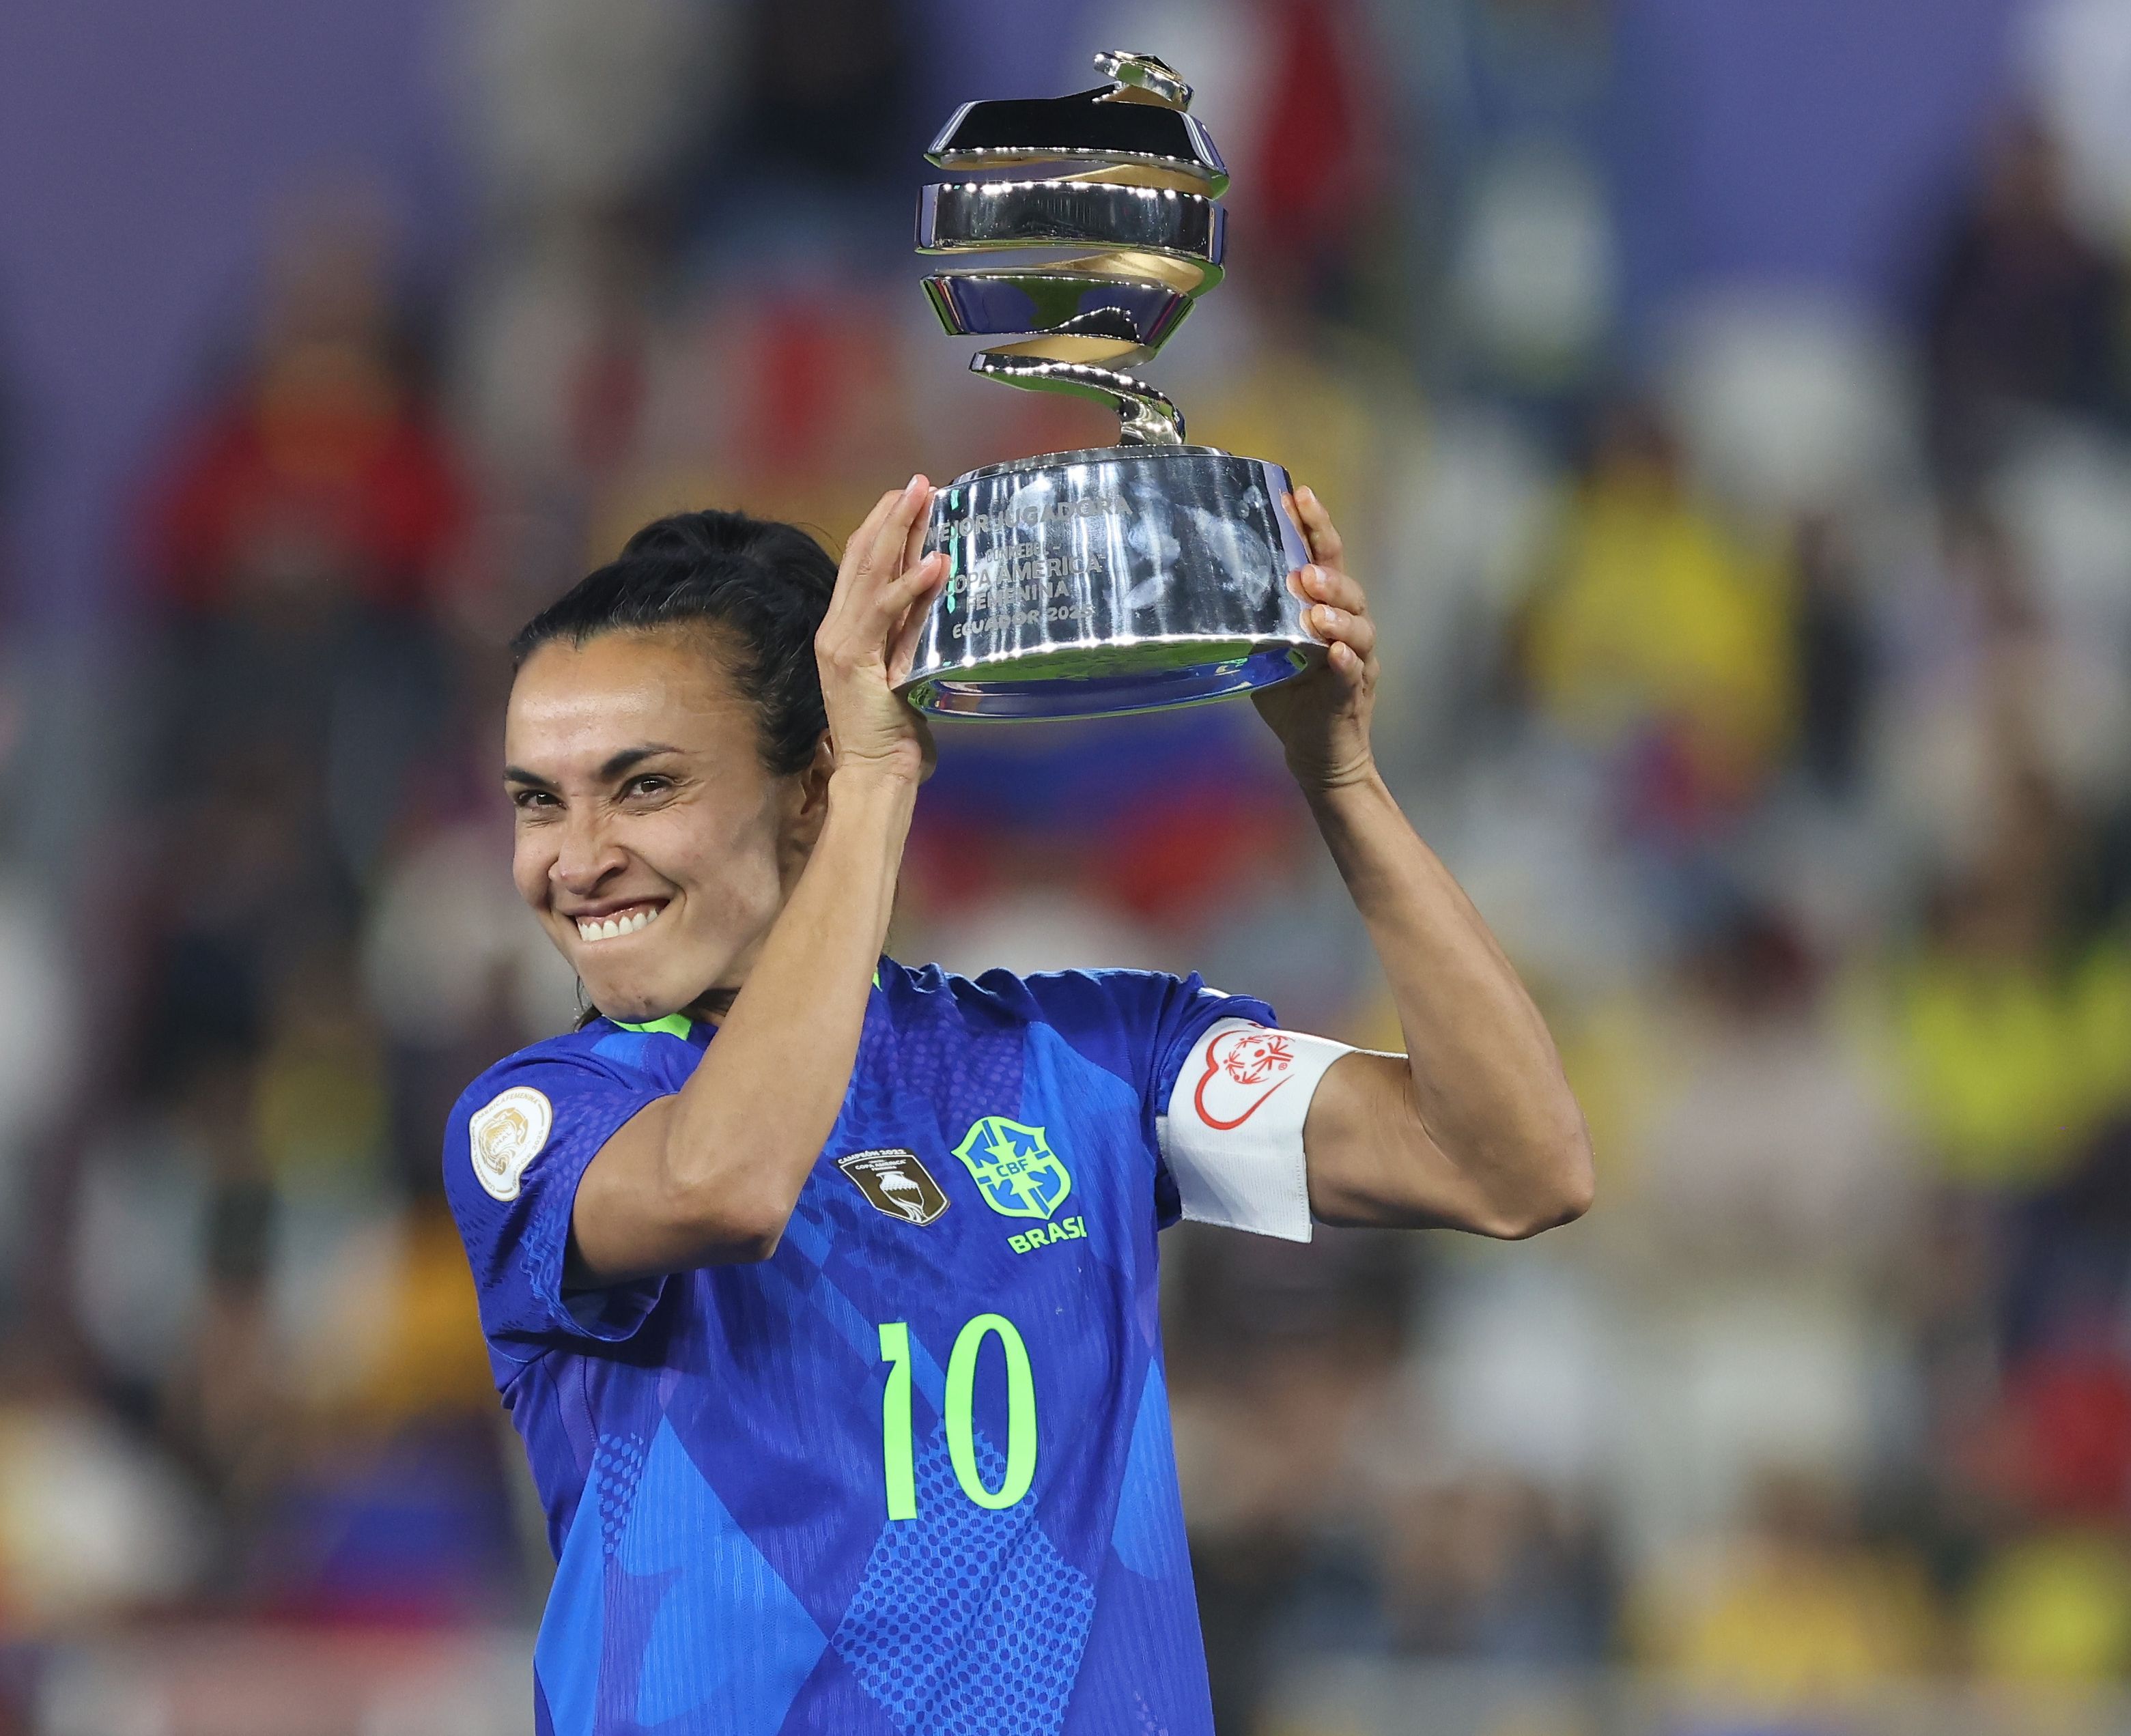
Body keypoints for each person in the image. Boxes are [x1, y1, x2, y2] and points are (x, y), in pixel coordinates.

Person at [447, 476, 1593, 1734]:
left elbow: (1510, 1167)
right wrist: (881, 778)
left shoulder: (1084, 1061)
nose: (575, 858)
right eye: (537, 800)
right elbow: (729, 1183)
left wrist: (1339, 775)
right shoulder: (545, 1119)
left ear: (805, 788)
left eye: (644, 787)